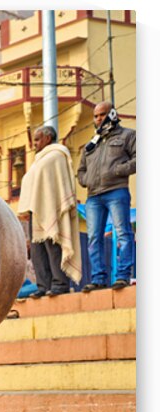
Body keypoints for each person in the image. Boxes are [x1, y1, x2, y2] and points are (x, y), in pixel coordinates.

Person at [77, 101, 136, 292]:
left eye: (102, 114)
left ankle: (122, 276)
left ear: (112, 114)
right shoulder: (91, 144)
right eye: (95, 116)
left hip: (117, 191)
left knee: (123, 234)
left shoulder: (127, 135)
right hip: (93, 196)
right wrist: (87, 180)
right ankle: (98, 279)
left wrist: (118, 170)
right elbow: (81, 171)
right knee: (94, 238)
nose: (98, 119)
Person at [17, 125, 82, 297]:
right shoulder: (40, 159)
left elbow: (55, 184)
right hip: (36, 209)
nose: (34, 144)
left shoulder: (57, 154)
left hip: (51, 207)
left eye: (37, 139)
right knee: (38, 250)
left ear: (47, 138)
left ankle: (59, 284)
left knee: (53, 247)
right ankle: (42, 286)